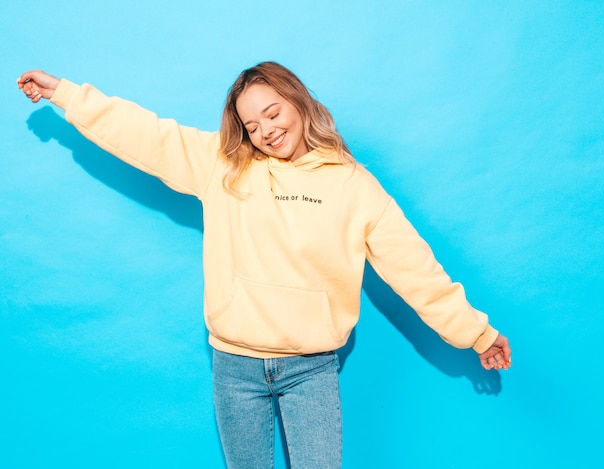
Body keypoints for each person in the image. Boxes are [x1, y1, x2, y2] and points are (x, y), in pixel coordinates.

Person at [18, 63, 512, 468]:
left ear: (299, 102)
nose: (267, 131)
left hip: (311, 369)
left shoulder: (354, 186)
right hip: (233, 367)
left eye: (273, 114)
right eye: (252, 126)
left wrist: (476, 332)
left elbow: (413, 268)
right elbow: (148, 135)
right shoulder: (224, 165)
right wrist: (66, 93)